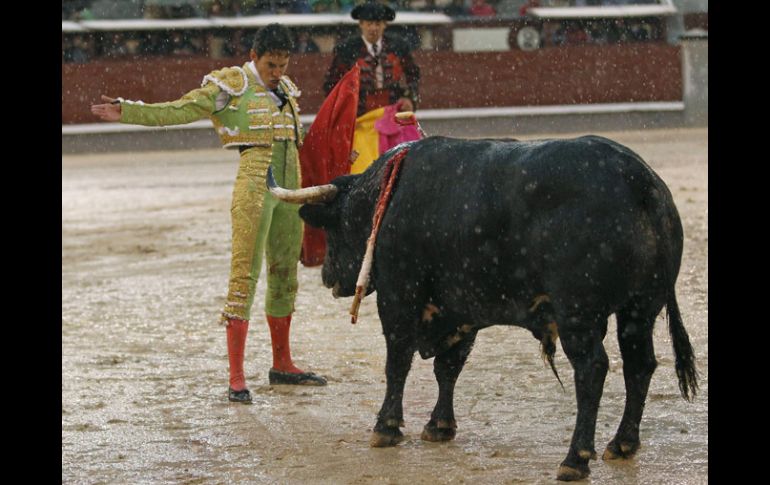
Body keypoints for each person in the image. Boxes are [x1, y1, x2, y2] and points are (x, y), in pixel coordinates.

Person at [90, 23, 328, 405]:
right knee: (244, 275)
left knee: (285, 273)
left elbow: (305, 144)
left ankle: (282, 363)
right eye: (271, 64)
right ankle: (236, 376)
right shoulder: (231, 84)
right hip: (255, 185)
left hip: (291, 190)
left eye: (283, 64)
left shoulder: (286, 90)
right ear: (254, 56)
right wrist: (130, 111)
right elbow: (181, 109)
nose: (278, 72)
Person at [323, 0, 420, 173]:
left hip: (392, 119)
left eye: (377, 23)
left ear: (384, 25)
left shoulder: (398, 47)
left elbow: (414, 74)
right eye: (369, 23)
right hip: (360, 119)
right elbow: (331, 85)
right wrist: (345, 111)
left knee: (402, 167)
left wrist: (409, 97)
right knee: (362, 169)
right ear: (361, 24)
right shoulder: (347, 50)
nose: (373, 28)